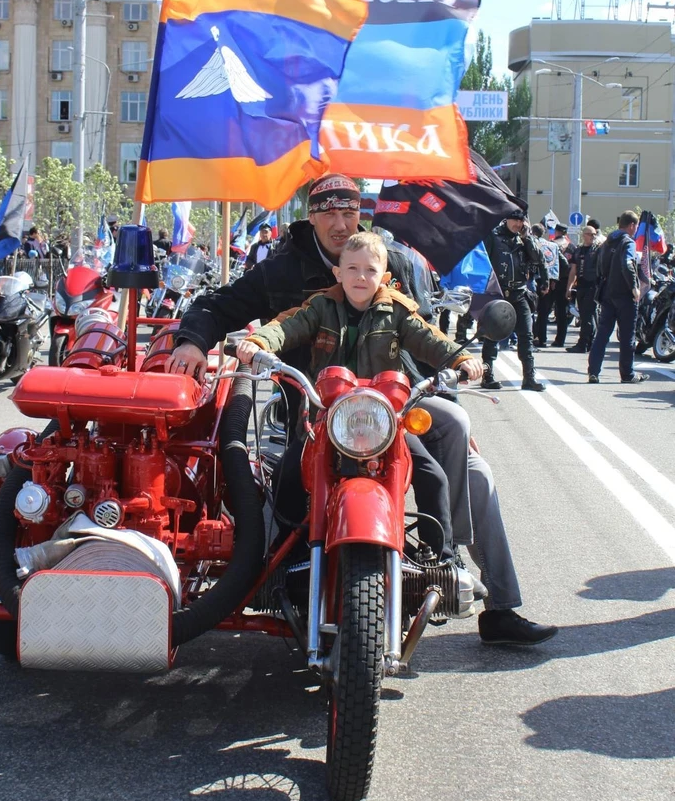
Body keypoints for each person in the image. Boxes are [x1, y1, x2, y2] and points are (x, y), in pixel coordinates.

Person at [172, 173, 556, 645]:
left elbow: (424, 337)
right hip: (318, 405)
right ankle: (277, 563)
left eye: (348, 211)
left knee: (466, 451)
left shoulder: (393, 261)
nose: (339, 223)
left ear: (361, 215)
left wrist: (454, 380)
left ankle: (471, 582)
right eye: (328, 212)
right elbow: (224, 306)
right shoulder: (285, 270)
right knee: (282, 477)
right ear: (310, 216)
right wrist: (193, 341)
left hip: (395, 401)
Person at [236, 231, 479, 565]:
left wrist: (461, 359)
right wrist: (259, 343)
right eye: (352, 269)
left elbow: (431, 339)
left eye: (370, 270)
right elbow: (285, 327)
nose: (361, 277)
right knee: (286, 476)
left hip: (386, 419)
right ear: (338, 273)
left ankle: (442, 558)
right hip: (328, 416)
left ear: (385, 277)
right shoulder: (320, 306)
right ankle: (289, 548)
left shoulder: (396, 311)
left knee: (432, 476)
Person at [481, 211, 548, 392]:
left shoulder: (524, 239)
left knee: (526, 334)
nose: (518, 224)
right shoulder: (493, 236)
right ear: (507, 219)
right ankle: (487, 376)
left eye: (521, 220)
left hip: (520, 293)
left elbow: (538, 259)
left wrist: (527, 238)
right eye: (515, 220)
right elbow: (482, 261)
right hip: (498, 292)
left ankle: (529, 377)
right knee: (492, 334)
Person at [588, 210, 648, 384]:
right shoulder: (627, 242)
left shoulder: (607, 242)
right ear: (631, 225)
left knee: (602, 334)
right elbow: (627, 263)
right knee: (628, 336)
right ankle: (627, 374)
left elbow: (598, 266)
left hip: (607, 293)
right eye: (635, 226)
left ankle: (593, 372)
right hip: (624, 294)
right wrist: (634, 287)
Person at [566, 226, 600, 353]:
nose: (593, 237)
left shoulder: (597, 250)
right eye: (590, 234)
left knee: (588, 316)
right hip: (581, 286)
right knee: (584, 316)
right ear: (584, 235)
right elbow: (573, 270)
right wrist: (569, 287)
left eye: (594, 234)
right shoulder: (578, 250)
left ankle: (584, 344)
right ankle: (588, 343)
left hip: (593, 286)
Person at [532, 223, 559, 349]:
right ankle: (542, 339)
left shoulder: (532, 243)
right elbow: (558, 263)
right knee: (543, 313)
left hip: (534, 279)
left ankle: (533, 336)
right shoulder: (553, 245)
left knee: (530, 311)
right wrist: (554, 280)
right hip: (549, 281)